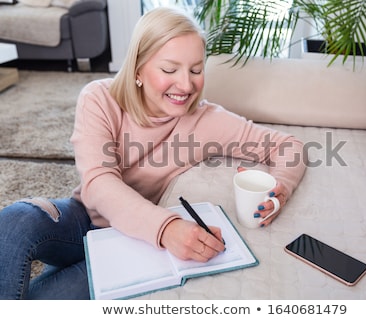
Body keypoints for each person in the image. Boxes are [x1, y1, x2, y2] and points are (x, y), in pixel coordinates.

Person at [0, 6, 306, 300]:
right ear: (138, 69)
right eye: (170, 69)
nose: (186, 84)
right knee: (13, 222)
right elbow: (98, 182)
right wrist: (167, 227)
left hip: (135, 243)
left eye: (196, 70)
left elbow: (289, 147)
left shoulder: (206, 119)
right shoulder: (99, 98)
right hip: (83, 218)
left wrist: (281, 186)